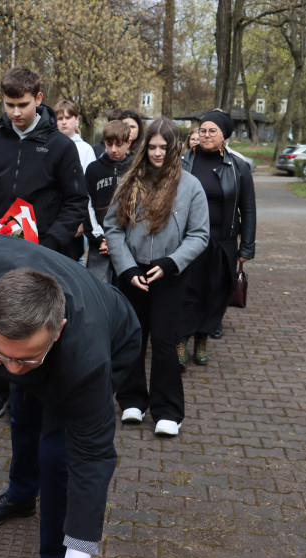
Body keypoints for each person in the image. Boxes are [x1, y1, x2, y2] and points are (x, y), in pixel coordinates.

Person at [0, 234, 141, 558]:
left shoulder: (85, 364)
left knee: (56, 453)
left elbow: (92, 460)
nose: (12, 369)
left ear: (58, 329)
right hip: (30, 328)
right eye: (3, 354)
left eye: (25, 359)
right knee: (23, 416)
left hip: (114, 332)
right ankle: (22, 496)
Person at [0, 65, 89, 420]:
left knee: (43, 325)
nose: (15, 113)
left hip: (47, 255)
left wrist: (47, 244)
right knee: (0, 323)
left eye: (22, 104)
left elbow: (74, 202)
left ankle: (47, 389)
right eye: (8, 105)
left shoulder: (61, 147)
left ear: (38, 98)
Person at [104, 118, 209, 437]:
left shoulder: (190, 186)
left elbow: (199, 234)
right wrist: (127, 267)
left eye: (164, 147)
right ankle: (132, 401)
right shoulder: (130, 181)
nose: (158, 153)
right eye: (152, 147)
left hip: (169, 276)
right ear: (144, 147)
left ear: (176, 148)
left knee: (164, 341)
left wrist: (171, 263)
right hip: (133, 274)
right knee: (133, 339)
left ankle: (168, 411)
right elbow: (113, 227)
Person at [180, 110, 256, 365]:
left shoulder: (238, 167)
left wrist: (247, 246)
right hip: (188, 240)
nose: (206, 135)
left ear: (224, 136)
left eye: (213, 131)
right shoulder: (183, 162)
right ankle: (181, 340)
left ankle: (202, 339)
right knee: (186, 291)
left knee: (215, 293)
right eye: (202, 130)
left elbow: (248, 208)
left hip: (222, 242)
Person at [84, 120, 133, 283]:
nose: (113, 149)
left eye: (119, 144)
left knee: (127, 290)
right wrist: (100, 238)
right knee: (97, 289)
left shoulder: (135, 169)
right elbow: (87, 204)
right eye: (109, 144)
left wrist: (121, 241)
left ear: (128, 143)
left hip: (128, 245)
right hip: (99, 243)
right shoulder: (93, 169)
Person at [54, 100, 97, 170]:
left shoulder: (86, 149)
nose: (64, 122)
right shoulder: (50, 147)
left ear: (76, 119)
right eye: (60, 119)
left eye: (68, 118)